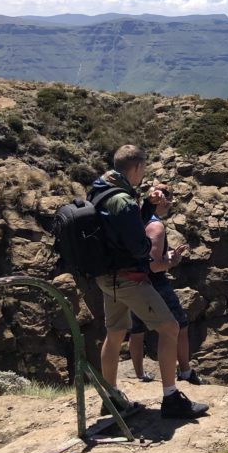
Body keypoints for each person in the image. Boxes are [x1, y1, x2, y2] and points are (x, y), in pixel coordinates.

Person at [89, 145, 208, 419]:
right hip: (129, 279)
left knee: (115, 332)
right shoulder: (123, 200)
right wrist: (160, 254)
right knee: (170, 328)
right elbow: (139, 247)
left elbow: (119, 228)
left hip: (106, 277)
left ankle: (111, 398)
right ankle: (171, 398)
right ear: (137, 167)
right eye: (143, 168)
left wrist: (146, 207)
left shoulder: (100, 189)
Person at [127, 184, 205, 386]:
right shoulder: (156, 226)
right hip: (155, 284)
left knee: (137, 330)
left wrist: (165, 255)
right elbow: (153, 266)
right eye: (168, 197)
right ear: (160, 200)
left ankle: (139, 375)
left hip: (132, 281)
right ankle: (185, 373)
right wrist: (172, 261)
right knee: (179, 325)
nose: (171, 202)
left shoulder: (138, 220)